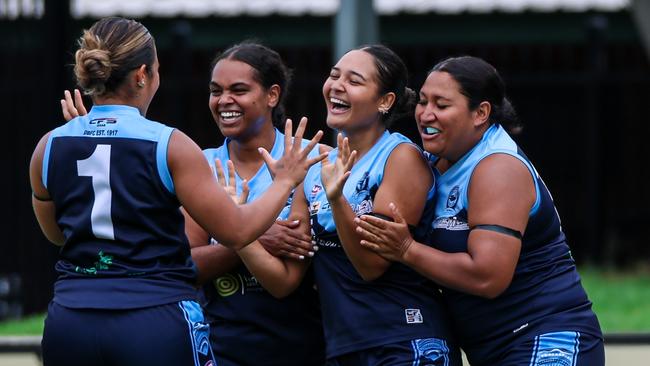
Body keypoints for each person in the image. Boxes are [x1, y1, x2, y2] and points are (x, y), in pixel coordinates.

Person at [29, 17, 324, 366]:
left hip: (71, 319)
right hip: (153, 317)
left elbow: (57, 234)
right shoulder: (169, 144)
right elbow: (239, 230)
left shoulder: (48, 146)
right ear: (142, 74)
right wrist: (285, 181)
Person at [354, 55, 604, 365]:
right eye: (422, 101)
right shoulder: (430, 161)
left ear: (481, 113)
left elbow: (488, 277)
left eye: (441, 105)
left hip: (546, 336)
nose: (426, 114)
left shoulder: (498, 169)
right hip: (491, 347)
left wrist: (406, 249)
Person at [236, 45, 460, 366]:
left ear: (385, 101)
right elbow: (283, 281)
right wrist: (239, 231)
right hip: (344, 347)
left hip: (405, 340)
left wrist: (337, 198)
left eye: (354, 81)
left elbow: (371, 266)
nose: (337, 86)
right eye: (333, 75)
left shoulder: (401, 157)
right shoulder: (315, 168)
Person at [185, 42, 325, 366]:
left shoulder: (311, 159)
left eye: (239, 90)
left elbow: (292, 273)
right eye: (215, 91)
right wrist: (255, 236)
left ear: (272, 95)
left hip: (306, 345)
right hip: (223, 347)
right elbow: (186, 266)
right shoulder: (201, 166)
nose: (224, 101)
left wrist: (233, 234)